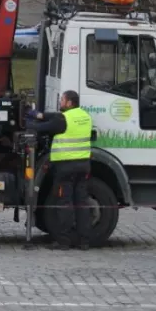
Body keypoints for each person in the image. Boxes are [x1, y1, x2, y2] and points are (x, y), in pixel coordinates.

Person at [26, 90, 93, 250]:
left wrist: (28, 121)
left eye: (62, 100)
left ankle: (64, 241)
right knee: (82, 203)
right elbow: (52, 117)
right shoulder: (85, 116)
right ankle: (84, 241)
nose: (60, 102)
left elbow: (41, 127)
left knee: (65, 203)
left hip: (66, 167)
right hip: (83, 165)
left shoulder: (63, 120)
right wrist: (38, 114)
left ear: (69, 103)